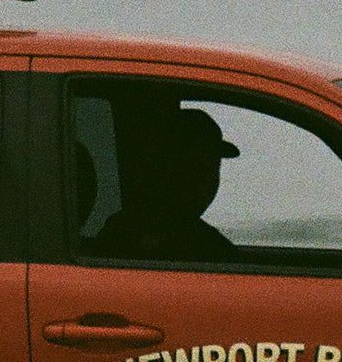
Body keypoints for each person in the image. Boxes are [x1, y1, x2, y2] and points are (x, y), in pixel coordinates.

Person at [89, 107, 240, 260]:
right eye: (194, 166)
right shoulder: (129, 237)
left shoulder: (203, 240)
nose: (207, 179)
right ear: (167, 168)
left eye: (213, 167)